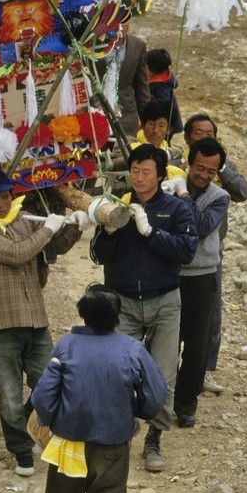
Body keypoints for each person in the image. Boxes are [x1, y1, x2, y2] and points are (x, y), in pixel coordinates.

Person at [32, 288, 167, 493]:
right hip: (112, 450)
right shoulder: (132, 350)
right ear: (117, 316)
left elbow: (44, 397)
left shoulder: (66, 346)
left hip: (69, 447)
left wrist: (48, 421)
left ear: (83, 315)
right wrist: (135, 410)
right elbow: (156, 394)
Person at [0, 167, 82, 477]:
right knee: (7, 394)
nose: (0, 204)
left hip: (35, 318)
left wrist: (75, 224)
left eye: (4, 196)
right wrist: (47, 230)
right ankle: (21, 451)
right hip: (0, 323)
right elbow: (19, 254)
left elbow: (53, 247)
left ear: (11, 195)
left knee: (50, 382)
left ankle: (29, 421)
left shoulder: (22, 219)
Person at [90, 144, 197, 473]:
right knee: (118, 372)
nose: (139, 177)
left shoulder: (177, 209)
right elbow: (98, 255)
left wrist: (152, 233)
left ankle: (154, 437)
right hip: (122, 303)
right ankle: (117, 436)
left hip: (165, 300)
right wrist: (109, 230)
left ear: (161, 175)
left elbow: (186, 250)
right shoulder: (117, 206)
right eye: (134, 171)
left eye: (146, 171)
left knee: (163, 376)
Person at [182, 112, 247, 392]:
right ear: (187, 138)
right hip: (176, 252)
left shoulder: (219, 168)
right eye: (199, 133)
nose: (205, 137)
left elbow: (243, 191)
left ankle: (204, 370)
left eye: (210, 133)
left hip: (211, 250)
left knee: (211, 315)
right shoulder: (177, 165)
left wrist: (218, 168)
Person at [173, 136, 229, 427]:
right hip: (170, 275)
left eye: (211, 171)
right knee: (166, 341)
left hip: (202, 278)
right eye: (199, 168)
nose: (204, 175)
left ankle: (185, 405)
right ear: (189, 162)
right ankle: (159, 397)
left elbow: (201, 228)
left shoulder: (219, 197)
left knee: (197, 346)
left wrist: (182, 197)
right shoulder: (169, 180)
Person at [116, 26, 150, 141]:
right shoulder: (91, 42)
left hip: (126, 118)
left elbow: (142, 87)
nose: (120, 27)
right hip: (94, 114)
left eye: (125, 21)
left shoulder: (138, 46)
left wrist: (147, 119)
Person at [147, 47, 183, 137]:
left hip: (165, 124)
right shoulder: (161, 79)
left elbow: (164, 106)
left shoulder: (161, 85)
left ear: (153, 69)